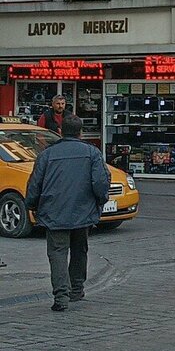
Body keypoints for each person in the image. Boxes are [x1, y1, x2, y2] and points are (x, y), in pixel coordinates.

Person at [24, 115, 110, 312]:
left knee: (57, 253)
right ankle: (76, 289)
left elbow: (35, 183)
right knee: (80, 250)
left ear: (60, 131)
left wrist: (32, 205)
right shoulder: (91, 152)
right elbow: (100, 182)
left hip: (53, 212)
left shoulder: (47, 154)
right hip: (82, 212)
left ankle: (61, 296)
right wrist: (100, 201)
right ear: (81, 132)